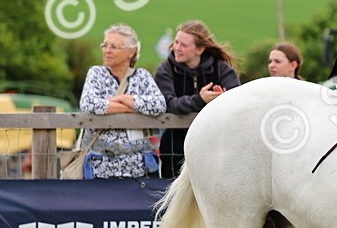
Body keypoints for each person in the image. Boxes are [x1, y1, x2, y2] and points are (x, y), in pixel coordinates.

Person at [154, 20, 240, 177]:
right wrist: (200, 99)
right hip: (174, 149)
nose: (177, 48)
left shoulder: (222, 69)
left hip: (213, 148)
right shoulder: (165, 69)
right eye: (176, 42)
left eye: (183, 45)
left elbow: (237, 100)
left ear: (200, 49)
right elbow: (168, 103)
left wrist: (223, 99)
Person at [79, 24, 166, 179]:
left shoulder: (142, 76)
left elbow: (159, 105)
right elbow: (89, 104)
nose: (107, 50)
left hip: (138, 167)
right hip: (100, 166)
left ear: (131, 52)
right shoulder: (96, 73)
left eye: (114, 47)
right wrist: (133, 107)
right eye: (105, 45)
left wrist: (123, 99)